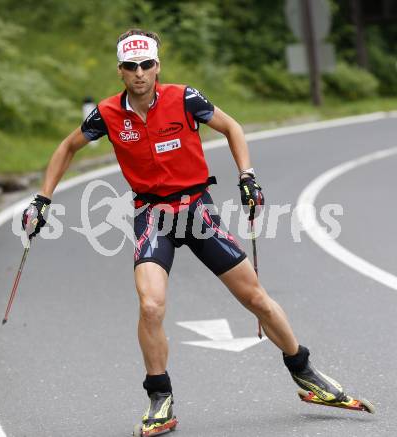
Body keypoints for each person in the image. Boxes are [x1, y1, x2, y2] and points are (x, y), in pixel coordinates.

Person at [22, 29, 347, 435]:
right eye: (130, 66)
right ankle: (160, 398)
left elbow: (232, 127)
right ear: (120, 71)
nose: (139, 73)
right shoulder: (107, 114)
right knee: (151, 306)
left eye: (146, 65)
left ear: (157, 66)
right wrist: (42, 199)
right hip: (151, 214)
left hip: (196, 210)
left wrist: (247, 175)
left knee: (256, 298)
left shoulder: (184, 98)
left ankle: (304, 372)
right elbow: (67, 147)